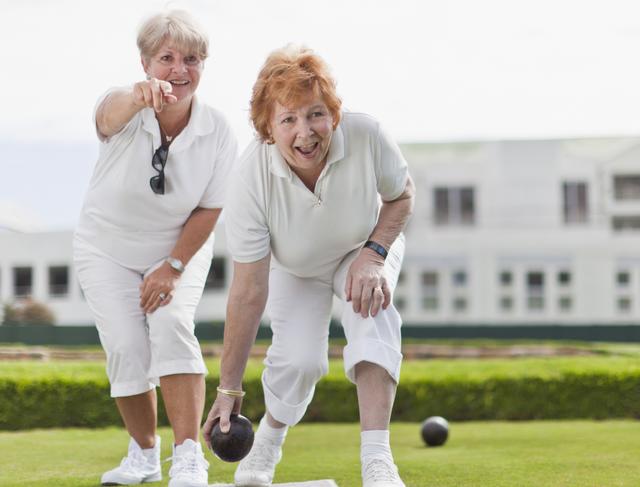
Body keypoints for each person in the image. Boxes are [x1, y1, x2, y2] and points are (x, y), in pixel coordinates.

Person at [202, 45, 415, 487]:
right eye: (288, 119)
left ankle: (377, 460)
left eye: (316, 114)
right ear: (267, 128)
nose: (306, 132)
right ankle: (269, 442)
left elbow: (401, 195)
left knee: (369, 308)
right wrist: (229, 388)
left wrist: (374, 253)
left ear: (333, 114)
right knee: (298, 361)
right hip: (297, 268)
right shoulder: (249, 180)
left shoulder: (366, 133)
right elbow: (246, 291)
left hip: (363, 249)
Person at [73, 10, 237, 487]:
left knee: (169, 324)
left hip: (178, 249)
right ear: (145, 62)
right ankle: (144, 455)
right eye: (166, 58)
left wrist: (173, 265)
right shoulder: (120, 105)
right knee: (125, 346)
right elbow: (109, 115)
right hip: (105, 248)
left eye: (191, 59)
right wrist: (136, 98)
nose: (179, 70)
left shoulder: (218, 131)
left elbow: (210, 209)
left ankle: (188, 458)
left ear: (203, 66)